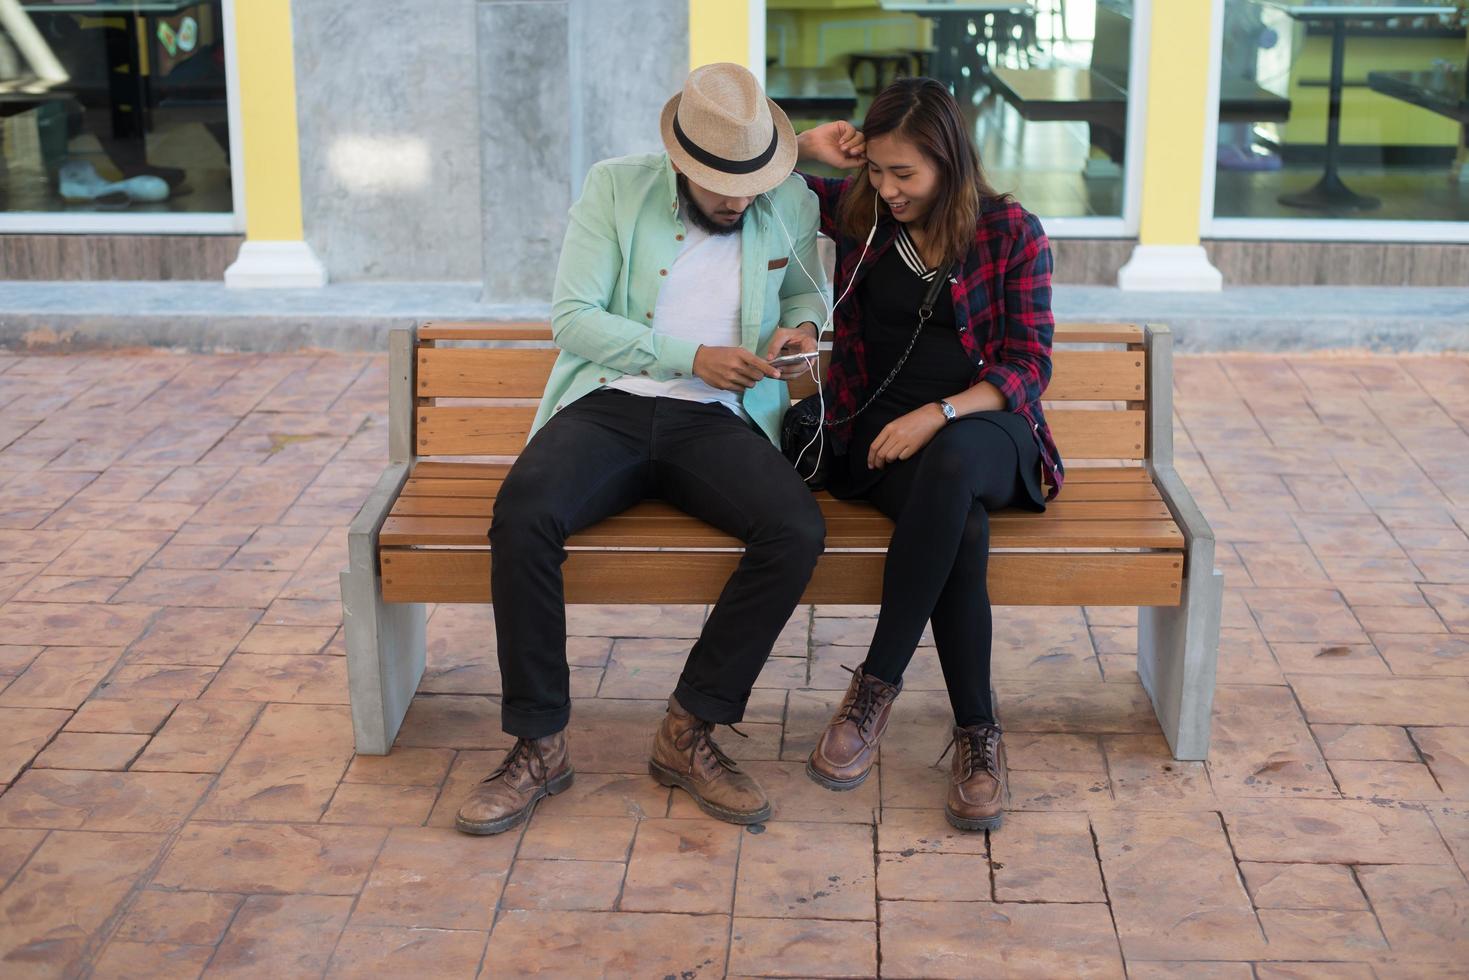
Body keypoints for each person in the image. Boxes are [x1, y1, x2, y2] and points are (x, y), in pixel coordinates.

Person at [455, 63, 828, 836]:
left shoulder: (787, 199)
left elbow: (801, 293)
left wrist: (802, 332)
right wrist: (688, 356)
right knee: (523, 514)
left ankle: (688, 730)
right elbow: (572, 317)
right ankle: (538, 743)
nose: (738, 200)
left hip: (718, 420)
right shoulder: (614, 188)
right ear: (682, 163)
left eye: (751, 184)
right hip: (609, 404)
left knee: (795, 529)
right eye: (723, 184)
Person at [795, 78, 1063, 831]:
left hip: (983, 429)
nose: (886, 188)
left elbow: (1028, 366)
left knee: (950, 468)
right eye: (875, 170)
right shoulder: (861, 213)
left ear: (947, 162)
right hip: (873, 436)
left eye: (903, 173)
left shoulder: (1010, 230)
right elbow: (737, 165)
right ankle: (978, 738)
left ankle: (874, 686)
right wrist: (804, 144)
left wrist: (938, 413)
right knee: (960, 529)